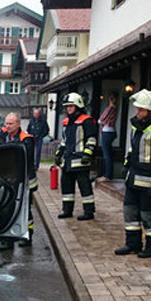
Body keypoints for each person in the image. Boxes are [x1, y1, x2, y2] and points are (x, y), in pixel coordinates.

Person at [114, 89, 151, 258]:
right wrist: (126, 165)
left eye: (140, 109)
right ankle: (132, 244)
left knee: (149, 216)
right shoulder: (137, 125)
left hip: (148, 183)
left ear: (150, 111)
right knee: (130, 213)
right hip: (133, 179)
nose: (137, 111)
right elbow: (133, 149)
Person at [0, 112, 38, 250]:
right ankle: (7, 239)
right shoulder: (2, 136)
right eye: (6, 123)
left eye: (10, 123)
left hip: (23, 180)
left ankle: (27, 236)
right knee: (5, 208)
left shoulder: (26, 139)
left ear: (18, 124)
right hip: (6, 179)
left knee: (25, 209)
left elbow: (25, 161)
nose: (7, 126)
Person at [55, 92, 98, 221]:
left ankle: (89, 212)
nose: (68, 108)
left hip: (80, 161)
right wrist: (59, 153)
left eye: (71, 106)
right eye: (67, 106)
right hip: (68, 161)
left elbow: (92, 139)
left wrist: (87, 154)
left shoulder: (87, 121)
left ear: (78, 106)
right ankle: (67, 210)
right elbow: (64, 140)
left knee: (84, 186)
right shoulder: (66, 122)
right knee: (66, 186)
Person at [98, 92, 118, 181]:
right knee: (108, 154)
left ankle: (107, 175)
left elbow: (101, 120)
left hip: (107, 131)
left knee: (107, 154)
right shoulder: (115, 108)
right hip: (111, 131)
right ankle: (108, 174)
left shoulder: (110, 108)